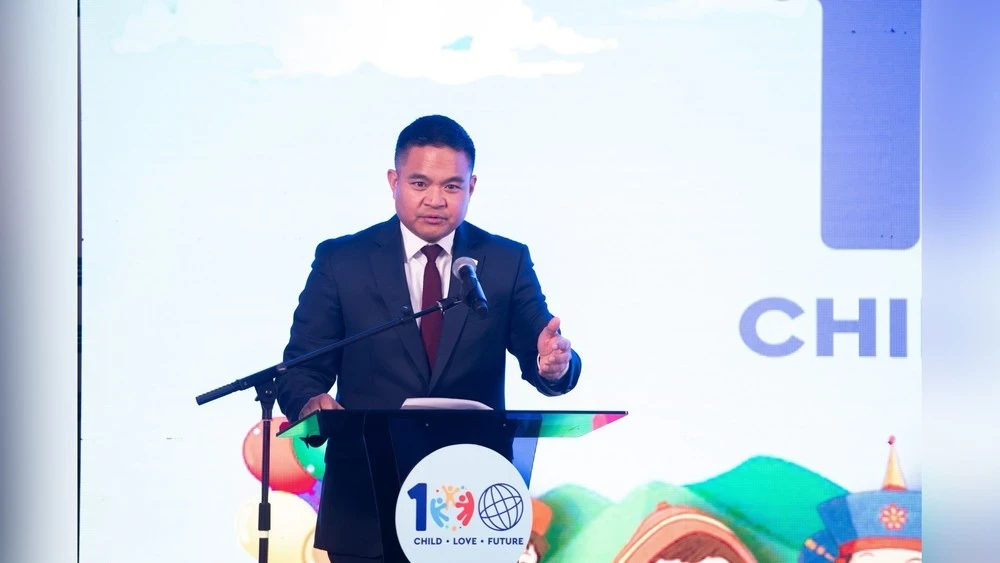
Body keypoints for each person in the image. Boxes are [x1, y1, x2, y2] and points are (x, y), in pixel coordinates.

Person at [275, 114, 583, 562]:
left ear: (471, 187)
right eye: (420, 184)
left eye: (452, 186)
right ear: (394, 181)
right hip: (366, 507)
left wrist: (554, 365)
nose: (435, 200)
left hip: (471, 508)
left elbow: (545, 347)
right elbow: (300, 369)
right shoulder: (343, 261)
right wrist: (310, 402)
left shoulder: (504, 261)